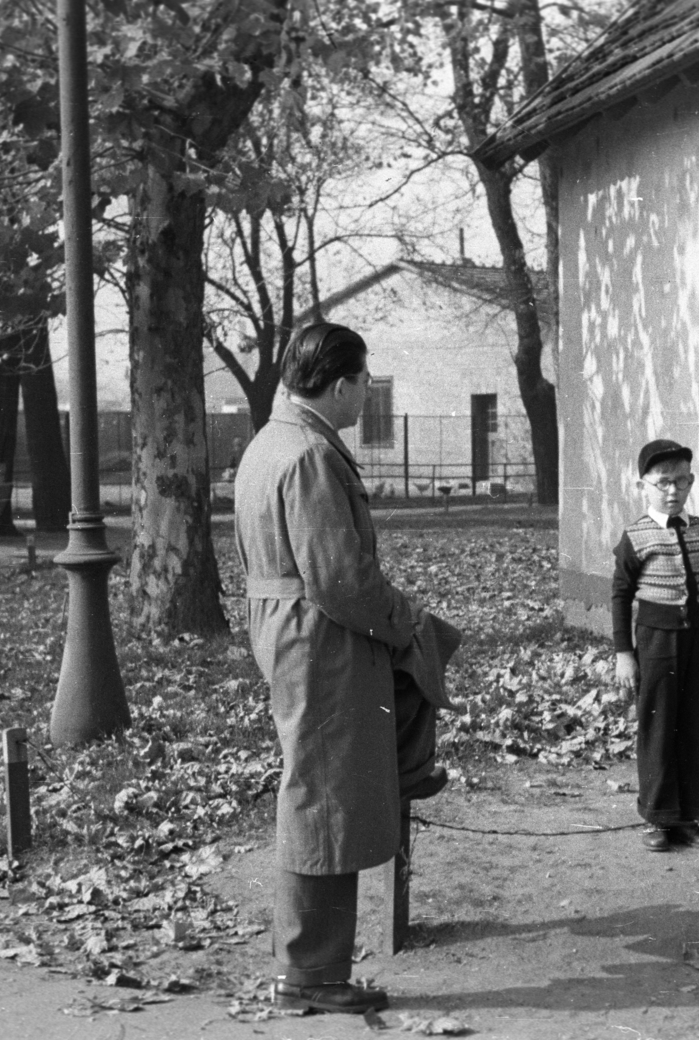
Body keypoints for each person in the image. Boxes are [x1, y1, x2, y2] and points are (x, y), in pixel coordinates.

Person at [234, 321, 451, 1016]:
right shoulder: (308, 455)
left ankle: (310, 967)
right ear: (338, 385)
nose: (365, 398)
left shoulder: (274, 442)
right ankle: (311, 975)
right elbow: (340, 580)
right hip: (322, 640)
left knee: (321, 795)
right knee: (323, 803)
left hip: (294, 631)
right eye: (364, 383)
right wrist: (405, 624)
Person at [611, 439, 699, 852]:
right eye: (663, 482)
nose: (673, 491)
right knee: (659, 724)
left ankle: (689, 818)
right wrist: (624, 654)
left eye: (682, 481)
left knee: (697, 727)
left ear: (691, 482)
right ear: (642, 486)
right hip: (656, 642)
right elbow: (621, 596)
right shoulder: (636, 536)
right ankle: (657, 817)